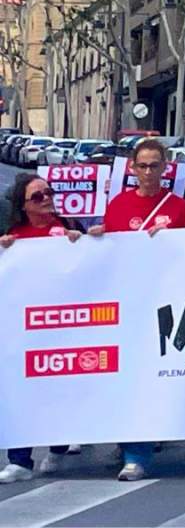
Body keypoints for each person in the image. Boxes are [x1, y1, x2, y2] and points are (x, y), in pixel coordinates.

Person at [86, 138, 185, 481]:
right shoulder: (118, 204)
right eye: (143, 166)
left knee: (148, 376)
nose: (148, 172)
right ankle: (127, 441)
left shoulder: (178, 207)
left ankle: (138, 452)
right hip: (125, 302)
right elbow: (109, 253)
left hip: (162, 302)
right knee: (123, 375)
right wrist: (94, 238)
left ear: (166, 168)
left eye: (155, 165)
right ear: (132, 168)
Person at [0, 175, 81, 484]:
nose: (46, 198)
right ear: (23, 205)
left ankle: (59, 446)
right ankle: (19, 459)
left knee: (59, 389)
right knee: (21, 390)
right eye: (37, 196)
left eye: (49, 192)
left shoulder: (69, 227)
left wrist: (82, 242)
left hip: (65, 325)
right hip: (24, 327)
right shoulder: (13, 236)